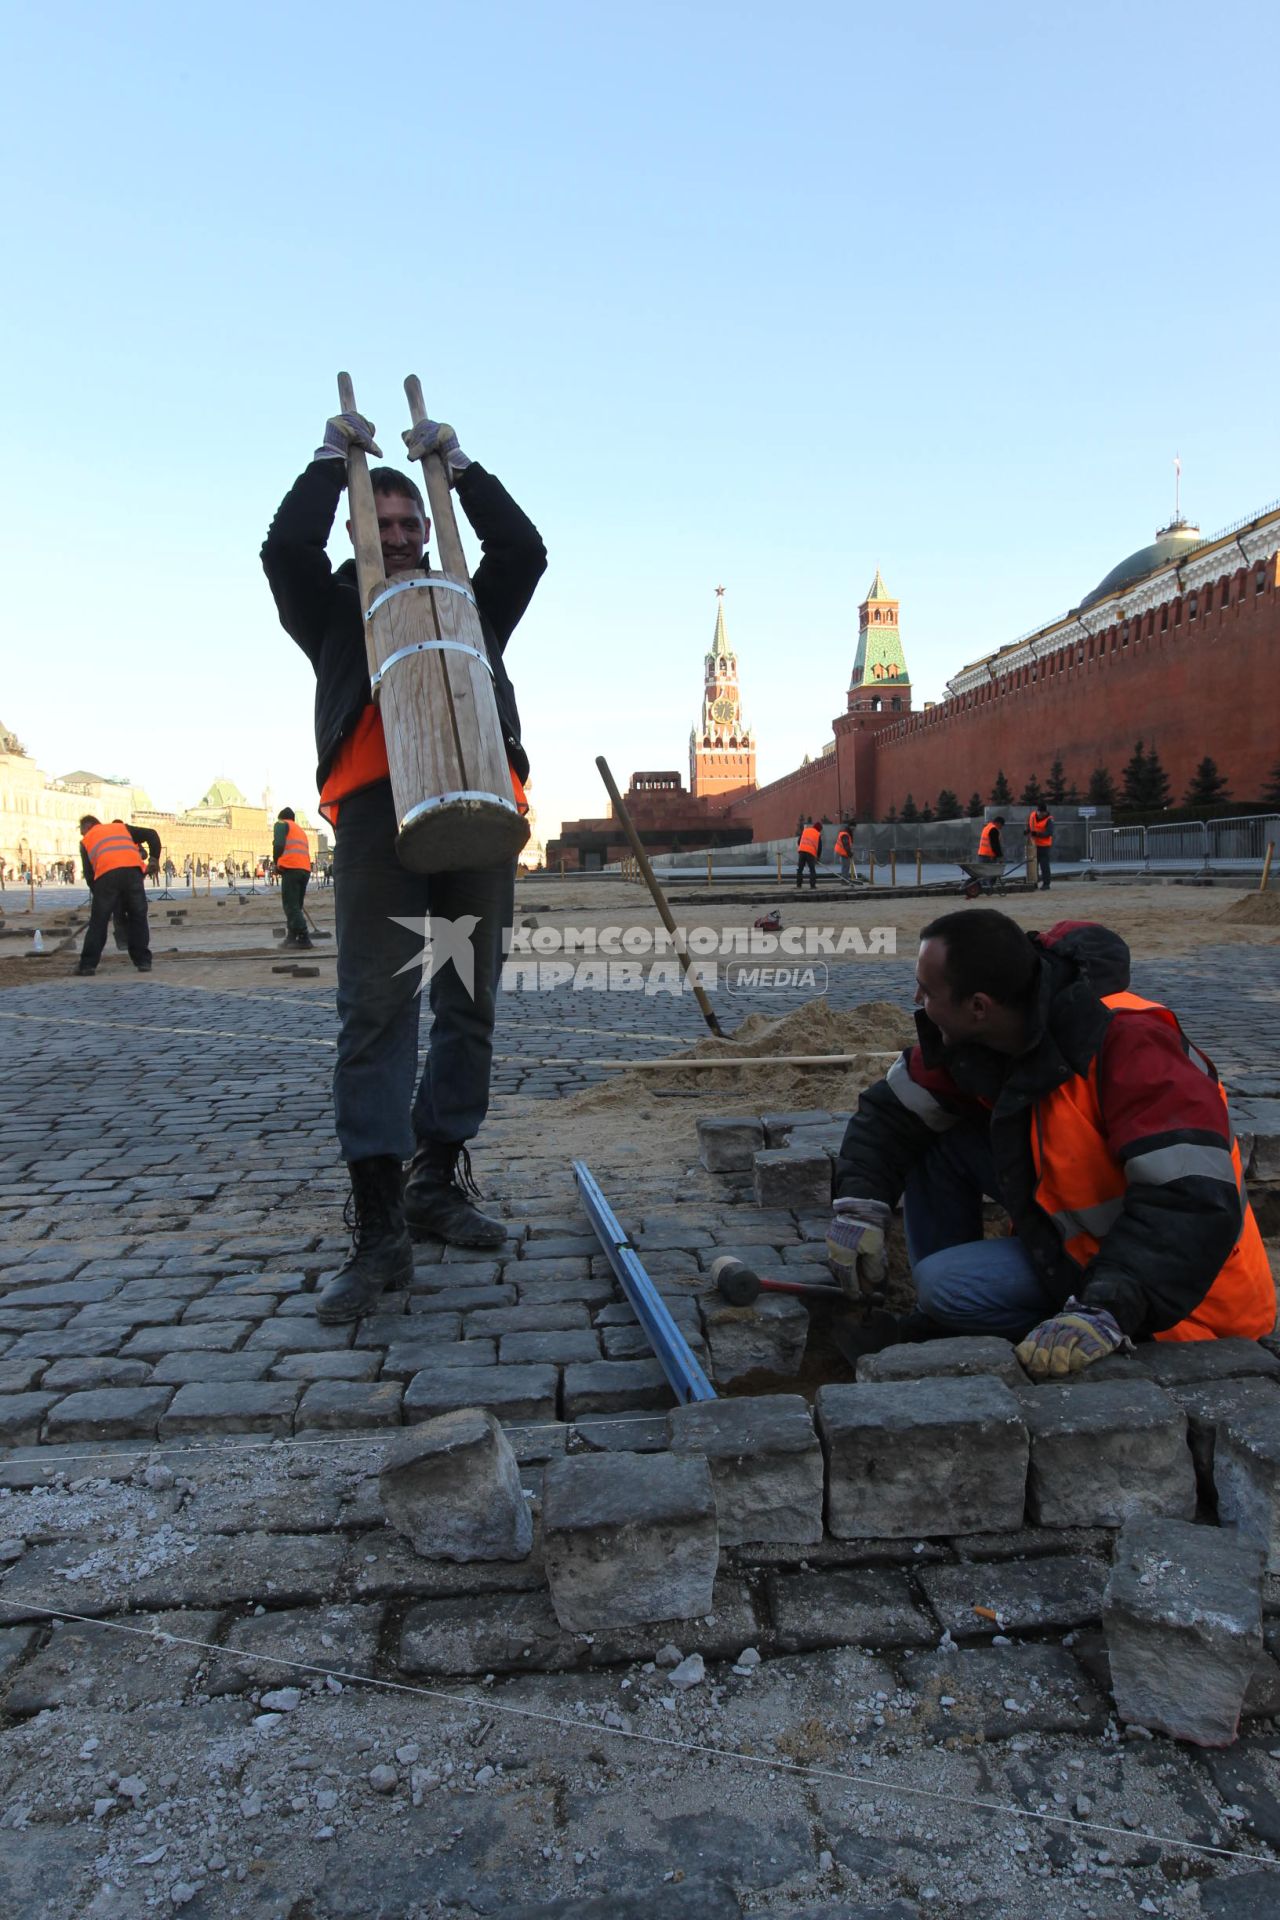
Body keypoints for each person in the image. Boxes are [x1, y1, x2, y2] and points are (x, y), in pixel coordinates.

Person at [262, 402, 546, 1325]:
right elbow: (283, 551)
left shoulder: (467, 599)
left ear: (428, 531)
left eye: (408, 524)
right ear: (357, 530)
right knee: (377, 1013)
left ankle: (436, 1178)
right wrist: (328, 459)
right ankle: (380, 1224)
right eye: (379, 525)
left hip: (479, 812)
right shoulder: (336, 606)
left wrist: (457, 467)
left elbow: (527, 553)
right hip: (382, 817)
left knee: (468, 1005)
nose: (398, 536)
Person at [827, 909, 1274, 1375]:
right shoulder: (989, 1031)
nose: (917, 999)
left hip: (1184, 1292)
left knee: (945, 1286)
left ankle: (998, 1317)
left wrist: (1107, 1307)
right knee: (935, 1137)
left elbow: (1191, 1204)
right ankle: (942, 1321)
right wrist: (859, 1202)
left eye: (928, 990)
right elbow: (892, 1112)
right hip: (1077, 1246)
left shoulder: (1134, 1048)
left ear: (978, 1006)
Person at [76, 816, 152, 976]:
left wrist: (100, 899)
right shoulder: (121, 829)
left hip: (106, 875)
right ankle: (143, 961)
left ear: (88, 827)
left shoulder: (87, 840)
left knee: (98, 922)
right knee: (138, 916)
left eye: (82, 832)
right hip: (133, 873)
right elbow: (151, 834)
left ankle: (87, 965)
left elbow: (90, 875)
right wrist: (154, 858)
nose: (83, 835)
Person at [274, 807, 313, 948]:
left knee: (291, 906)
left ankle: (303, 936)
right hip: (305, 870)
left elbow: (278, 844)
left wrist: (276, 862)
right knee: (297, 906)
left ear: (281, 817)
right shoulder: (300, 830)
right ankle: (292, 936)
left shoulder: (281, 824)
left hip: (291, 868)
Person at [1027, 804, 1054, 890]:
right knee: (1033, 866)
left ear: (1045, 812)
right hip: (1033, 845)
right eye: (1039, 812)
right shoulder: (1032, 816)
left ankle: (1046, 884)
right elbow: (1029, 826)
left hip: (1044, 846)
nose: (1039, 815)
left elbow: (1049, 833)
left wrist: (1037, 834)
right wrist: (1027, 831)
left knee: (1044, 866)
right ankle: (1033, 883)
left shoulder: (1049, 819)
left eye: (1042, 813)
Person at [796, 818, 821, 891]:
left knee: (800, 869)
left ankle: (798, 885)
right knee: (812, 870)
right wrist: (818, 857)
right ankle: (812, 885)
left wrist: (802, 847)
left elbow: (799, 841)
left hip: (802, 851)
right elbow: (819, 847)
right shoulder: (817, 834)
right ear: (819, 829)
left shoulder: (805, 830)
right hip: (810, 853)